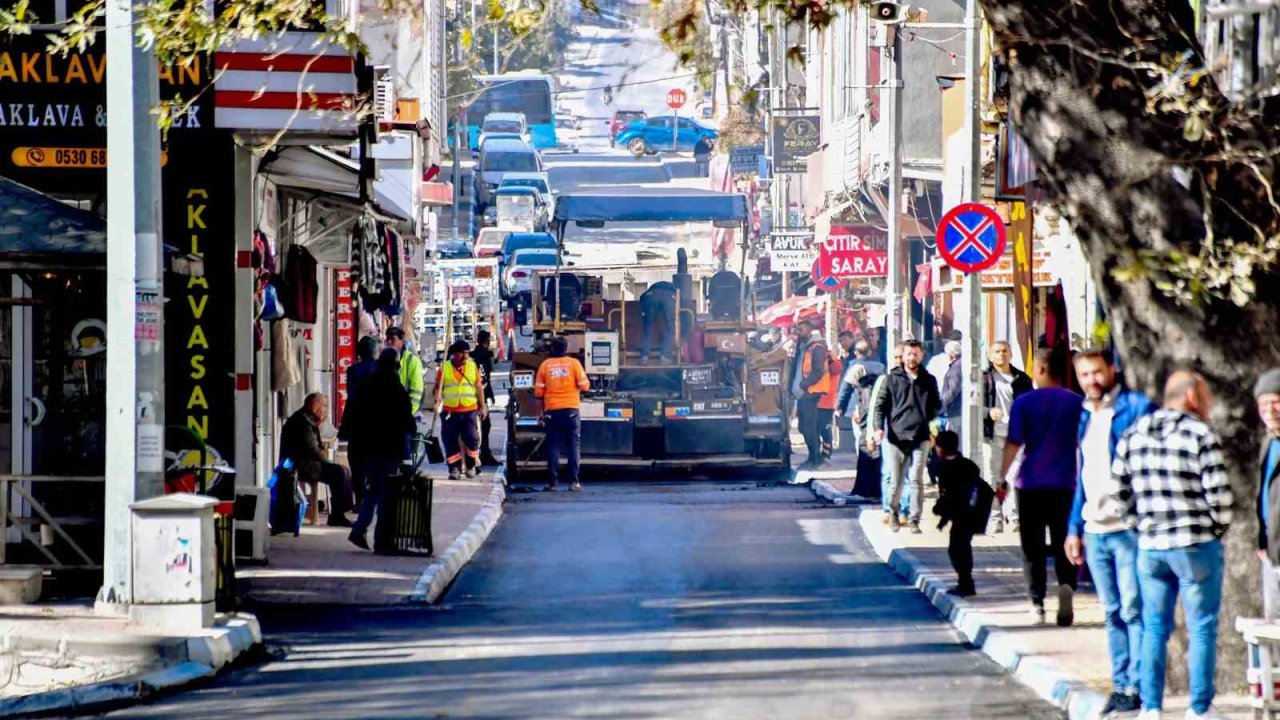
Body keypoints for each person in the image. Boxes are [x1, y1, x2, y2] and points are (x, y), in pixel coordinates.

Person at [1110, 371, 1233, 720]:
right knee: (1202, 625)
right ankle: (1199, 706)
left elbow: (1119, 492)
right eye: (1205, 396)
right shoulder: (1200, 434)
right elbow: (1220, 496)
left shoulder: (1134, 434)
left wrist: (1141, 526)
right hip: (1194, 543)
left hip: (1151, 545)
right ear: (1192, 396)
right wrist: (1214, 530)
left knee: (1153, 627)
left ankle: (1151, 706)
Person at [1063, 348, 1156, 717]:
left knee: (1134, 608)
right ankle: (1121, 685)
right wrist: (1074, 528)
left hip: (1128, 528)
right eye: (1084, 375)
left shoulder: (1135, 408)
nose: (1092, 381)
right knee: (1112, 610)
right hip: (1095, 528)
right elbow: (1082, 477)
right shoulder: (1085, 416)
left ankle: (1139, 685)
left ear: (1112, 369)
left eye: (1097, 372)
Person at [1000, 347, 1083, 626]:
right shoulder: (1077, 403)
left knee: (1031, 547)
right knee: (1065, 542)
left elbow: (1014, 443)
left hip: (1030, 483)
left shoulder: (1025, 403)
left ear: (1042, 370)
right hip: (1066, 483)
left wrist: (1001, 477)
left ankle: (1036, 603)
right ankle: (1066, 587)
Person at [345, 350, 415, 551]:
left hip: (366, 449)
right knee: (384, 494)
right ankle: (382, 540)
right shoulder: (396, 390)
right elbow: (406, 424)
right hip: (388, 450)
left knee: (374, 491)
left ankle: (359, 530)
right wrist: (406, 457)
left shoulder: (366, 385)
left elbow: (354, 412)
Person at [872, 339, 941, 533]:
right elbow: (879, 407)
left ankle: (914, 518)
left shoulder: (929, 380)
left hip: (920, 436)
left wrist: (932, 429)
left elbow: (935, 406)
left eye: (915, 354)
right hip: (896, 437)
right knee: (896, 479)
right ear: (903, 356)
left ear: (921, 355)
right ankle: (893, 512)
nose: (912, 358)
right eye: (908, 354)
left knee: (917, 478)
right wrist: (878, 428)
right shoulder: (891, 379)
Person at [280, 393, 353, 527]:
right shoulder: (302, 422)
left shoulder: (307, 419)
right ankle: (337, 515)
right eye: (323, 406)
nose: (325, 410)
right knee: (339, 473)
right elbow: (312, 449)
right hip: (300, 465)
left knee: (343, 470)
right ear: (313, 407)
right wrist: (327, 462)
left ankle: (341, 512)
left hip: (306, 462)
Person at [933, 430, 991, 598]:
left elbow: (948, 495)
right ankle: (965, 581)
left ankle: (966, 583)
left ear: (941, 449)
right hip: (974, 511)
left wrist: (940, 512)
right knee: (962, 546)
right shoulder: (968, 464)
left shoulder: (944, 469)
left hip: (963, 513)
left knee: (957, 548)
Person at [982, 340, 1033, 532]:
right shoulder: (983, 378)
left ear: (1010, 354)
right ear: (990, 355)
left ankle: (1015, 517)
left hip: (1016, 435)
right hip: (992, 434)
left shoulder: (1022, 379)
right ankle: (996, 518)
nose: (1001, 354)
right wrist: (988, 412)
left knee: (1015, 476)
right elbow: (973, 405)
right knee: (993, 477)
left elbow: (1031, 404)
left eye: (1005, 351)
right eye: (997, 351)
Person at [535, 336, 590, 491]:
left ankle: (552, 483)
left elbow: (539, 392)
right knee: (573, 446)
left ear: (552, 349)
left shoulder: (545, 366)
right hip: (571, 411)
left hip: (552, 411)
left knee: (553, 447)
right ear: (567, 348)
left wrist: (540, 415)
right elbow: (584, 386)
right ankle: (574, 482)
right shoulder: (574, 364)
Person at [432, 340, 487, 479]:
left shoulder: (472, 366)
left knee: (472, 439)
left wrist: (483, 406)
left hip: (469, 410)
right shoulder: (444, 368)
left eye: (467, 353)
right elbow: (437, 388)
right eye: (462, 353)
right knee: (450, 441)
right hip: (450, 411)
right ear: (454, 354)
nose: (465, 356)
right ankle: (454, 469)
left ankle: (471, 465)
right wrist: (436, 395)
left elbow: (478, 387)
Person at [343, 336, 381, 503]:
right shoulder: (383, 370)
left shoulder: (353, 370)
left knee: (357, 464)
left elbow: (352, 397)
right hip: (377, 425)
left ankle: (360, 499)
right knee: (373, 463)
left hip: (357, 425)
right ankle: (373, 498)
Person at [791, 320, 833, 470]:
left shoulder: (817, 347)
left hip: (812, 391)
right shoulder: (804, 346)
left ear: (809, 330)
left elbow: (818, 371)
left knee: (808, 427)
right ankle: (814, 457)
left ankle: (815, 459)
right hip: (806, 391)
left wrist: (803, 385)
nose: (798, 332)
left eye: (800, 329)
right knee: (805, 426)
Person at [1256, 368, 1280, 620]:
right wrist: (1261, 540)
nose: (1269, 411)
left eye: (1275, 402)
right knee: (1273, 624)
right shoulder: (1269, 443)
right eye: (1263, 404)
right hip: (1271, 552)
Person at [472, 330, 501, 466]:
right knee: (484, 425)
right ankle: (483, 453)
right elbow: (483, 378)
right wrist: (488, 395)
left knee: (479, 425)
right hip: (479, 395)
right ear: (487, 341)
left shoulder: (473, 355)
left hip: (472, 395)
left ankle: (480, 452)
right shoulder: (482, 357)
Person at [386, 326, 425, 415]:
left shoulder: (412, 361)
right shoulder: (382, 359)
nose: (389, 342)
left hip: (404, 413)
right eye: (387, 339)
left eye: (392, 339)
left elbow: (416, 391)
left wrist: (408, 413)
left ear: (402, 341)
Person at [639, 281, 678, 363]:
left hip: (651, 296)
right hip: (669, 296)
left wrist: (644, 311)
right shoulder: (674, 291)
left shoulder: (651, 289)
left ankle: (644, 357)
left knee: (647, 328)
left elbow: (642, 298)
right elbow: (680, 304)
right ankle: (665, 356)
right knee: (670, 328)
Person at [938, 340, 964, 431]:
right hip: (957, 410)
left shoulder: (955, 368)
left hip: (955, 411)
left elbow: (953, 390)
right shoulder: (960, 365)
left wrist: (941, 404)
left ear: (951, 354)